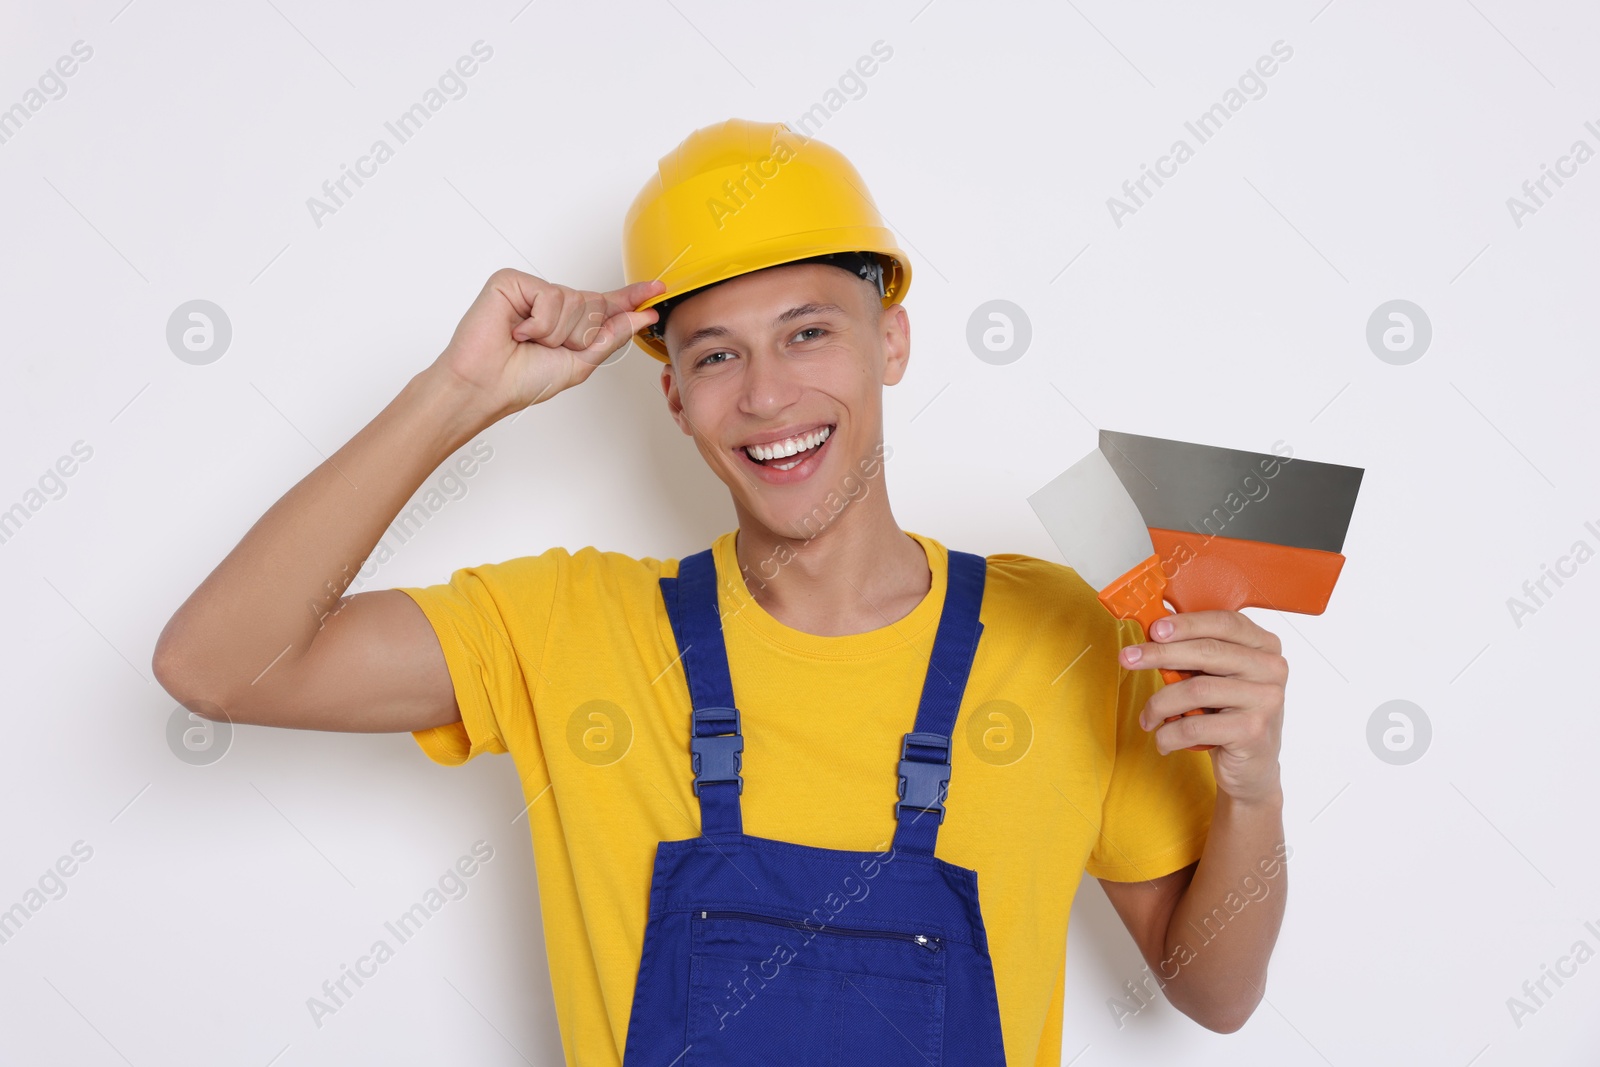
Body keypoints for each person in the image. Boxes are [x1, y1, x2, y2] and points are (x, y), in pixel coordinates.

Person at [153, 118, 1289, 1065]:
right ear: (672, 400)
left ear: (889, 339)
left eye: (807, 332)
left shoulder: (1072, 635)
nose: (766, 394)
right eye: (713, 354)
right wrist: (458, 393)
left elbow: (1213, 990)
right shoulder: (567, 631)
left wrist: (1249, 789)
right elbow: (214, 666)